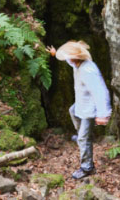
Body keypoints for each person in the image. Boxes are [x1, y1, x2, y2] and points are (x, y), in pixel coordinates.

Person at [46, 40, 112, 179]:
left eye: (69, 56)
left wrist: (102, 114)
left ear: (77, 57)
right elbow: (68, 60)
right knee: (72, 111)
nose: (68, 59)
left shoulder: (88, 70)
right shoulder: (77, 63)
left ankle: (87, 168)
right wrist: (55, 53)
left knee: (82, 139)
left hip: (90, 108)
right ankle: (84, 135)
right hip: (82, 103)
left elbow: (100, 91)